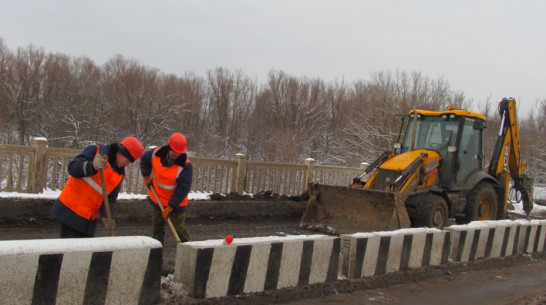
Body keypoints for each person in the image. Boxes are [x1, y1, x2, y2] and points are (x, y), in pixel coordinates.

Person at [50, 136, 144, 238]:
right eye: (127, 161)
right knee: (71, 250)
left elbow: (110, 199)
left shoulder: (119, 174)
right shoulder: (97, 152)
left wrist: (108, 217)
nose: (127, 165)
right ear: (121, 153)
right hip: (70, 211)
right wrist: (92, 166)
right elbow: (73, 168)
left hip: (88, 219)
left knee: (85, 251)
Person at [140, 132, 193, 244]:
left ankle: (189, 249)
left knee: (179, 230)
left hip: (176, 204)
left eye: (178, 152)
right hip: (157, 199)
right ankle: (156, 251)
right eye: (173, 151)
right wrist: (146, 176)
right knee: (157, 230)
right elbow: (144, 160)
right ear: (169, 147)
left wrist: (170, 207)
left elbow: (182, 189)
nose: (175, 154)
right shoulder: (155, 154)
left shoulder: (186, 166)